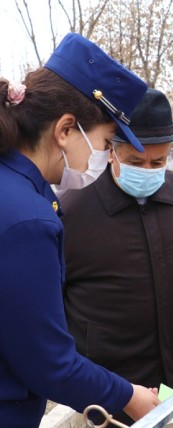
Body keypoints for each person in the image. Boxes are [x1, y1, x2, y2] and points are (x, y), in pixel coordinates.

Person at [0, 33, 159, 426]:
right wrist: (129, 396)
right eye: (106, 142)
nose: (105, 158)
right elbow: (49, 364)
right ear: (66, 129)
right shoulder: (27, 219)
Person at [60, 89, 173, 424]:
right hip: (113, 396)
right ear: (112, 151)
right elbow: (58, 299)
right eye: (136, 162)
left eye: (158, 162)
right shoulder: (72, 210)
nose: (148, 170)